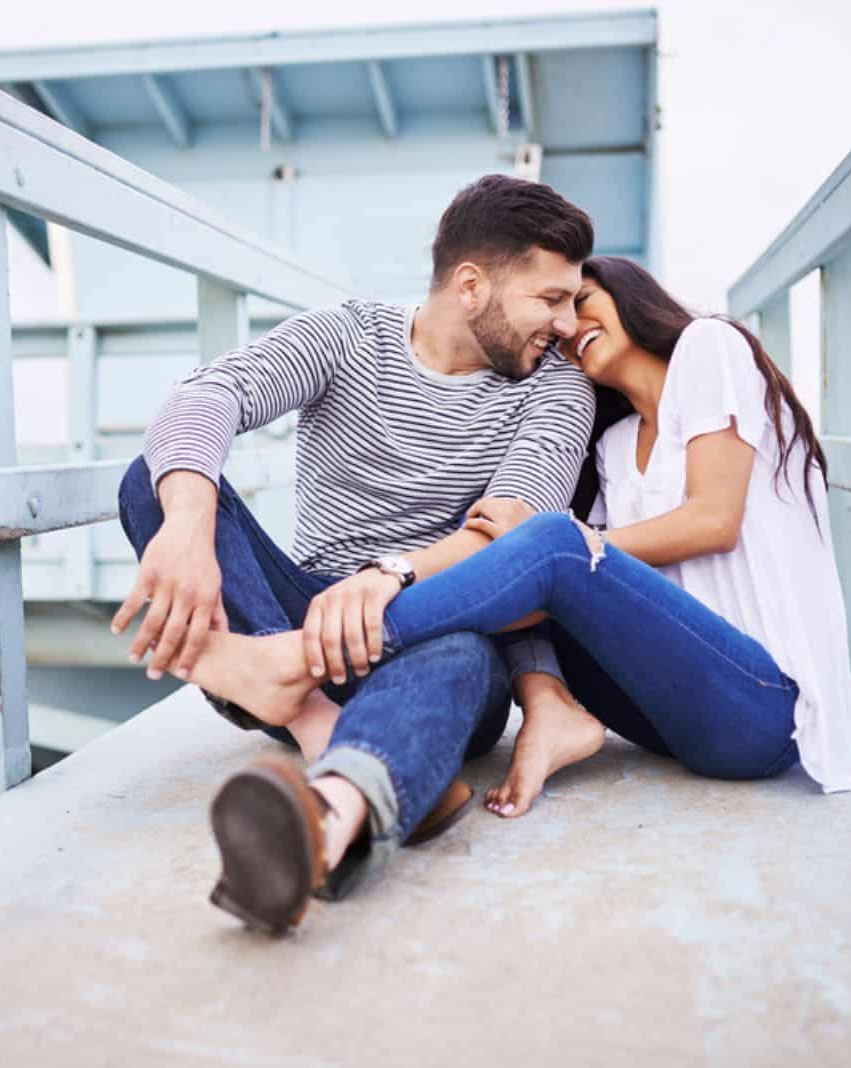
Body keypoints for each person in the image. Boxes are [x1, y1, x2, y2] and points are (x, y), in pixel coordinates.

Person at [172, 256, 851, 933]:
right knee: (528, 570)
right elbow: (562, 589)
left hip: (763, 705)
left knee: (552, 544)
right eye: (554, 323)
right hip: (674, 714)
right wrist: (529, 566)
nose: (569, 328)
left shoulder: (711, 347)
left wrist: (532, 547)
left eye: (583, 300)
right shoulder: (614, 447)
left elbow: (714, 519)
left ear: (632, 294)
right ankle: (337, 820)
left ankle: (291, 661)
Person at [112, 175, 597, 933]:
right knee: (158, 482)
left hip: (428, 627)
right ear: (471, 286)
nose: (568, 323)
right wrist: (187, 522)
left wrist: (387, 579)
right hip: (299, 615)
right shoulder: (350, 336)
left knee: (469, 658)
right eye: (552, 299)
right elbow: (210, 396)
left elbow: (515, 533)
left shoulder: (556, 391)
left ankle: (323, 816)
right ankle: (300, 706)